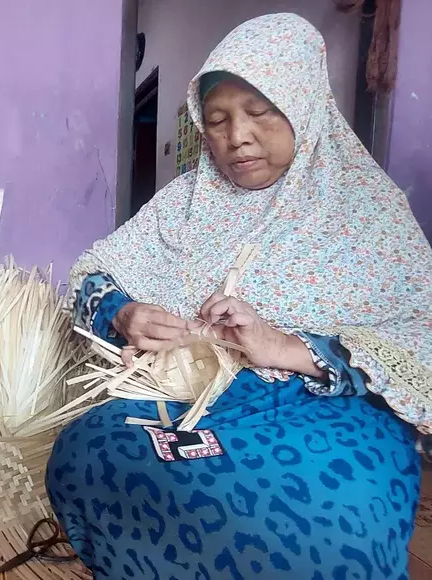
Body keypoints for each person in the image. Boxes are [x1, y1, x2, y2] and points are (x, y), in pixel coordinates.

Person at [46, 13, 432, 579]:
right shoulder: (188, 199)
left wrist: (286, 348)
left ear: (304, 105)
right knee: (88, 451)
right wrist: (123, 314)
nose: (237, 136)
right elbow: (91, 272)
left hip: (322, 414)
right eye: (218, 120)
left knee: (327, 518)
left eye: (260, 113)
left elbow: (420, 339)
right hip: (193, 403)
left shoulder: (370, 212)